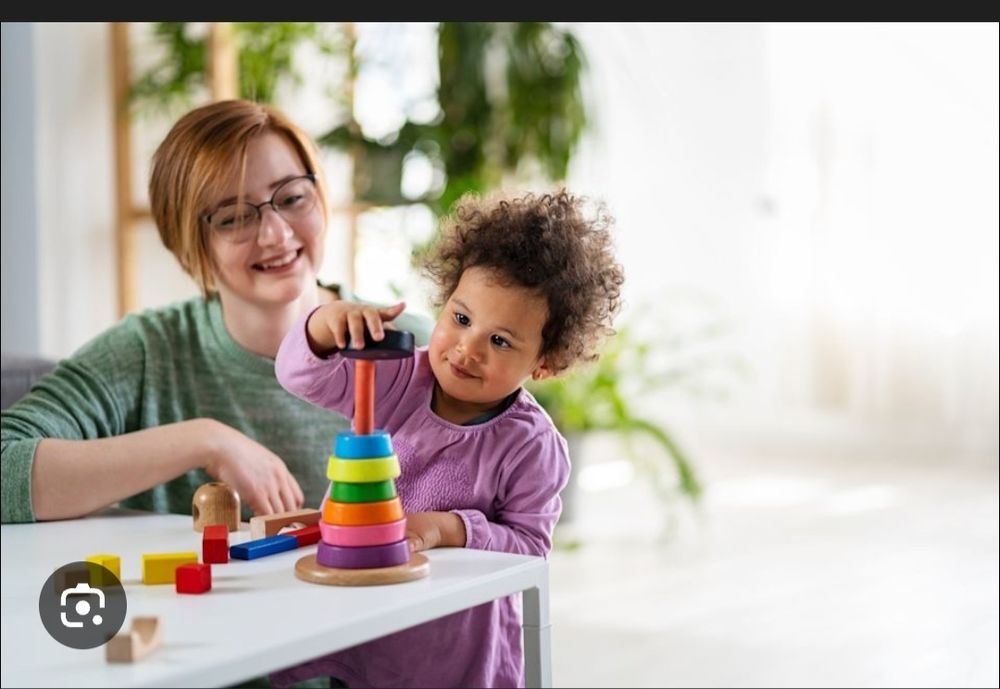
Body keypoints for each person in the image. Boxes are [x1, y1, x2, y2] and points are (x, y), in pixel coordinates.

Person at [0, 99, 431, 526]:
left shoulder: (417, 348)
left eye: (293, 197)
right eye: (233, 218)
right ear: (190, 245)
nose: (276, 234)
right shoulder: (147, 354)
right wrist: (203, 440)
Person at [272, 189, 625, 688]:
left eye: (500, 341)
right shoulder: (397, 377)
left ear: (544, 364)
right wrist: (322, 329)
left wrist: (450, 529)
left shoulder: (531, 446)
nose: (467, 348)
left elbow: (528, 550)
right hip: (361, 617)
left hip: (452, 648)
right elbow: (299, 375)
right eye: (461, 319)